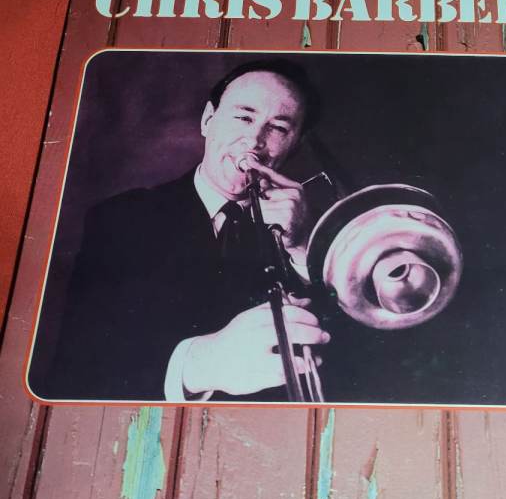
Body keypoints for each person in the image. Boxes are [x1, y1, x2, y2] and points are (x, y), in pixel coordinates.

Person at [44, 61, 329, 402]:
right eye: (244, 117)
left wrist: (301, 247)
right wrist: (200, 366)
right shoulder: (120, 218)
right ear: (208, 120)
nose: (254, 141)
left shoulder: (311, 236)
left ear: (295, 145)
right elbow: (75, 370)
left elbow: (351, 364)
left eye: (278, 128)